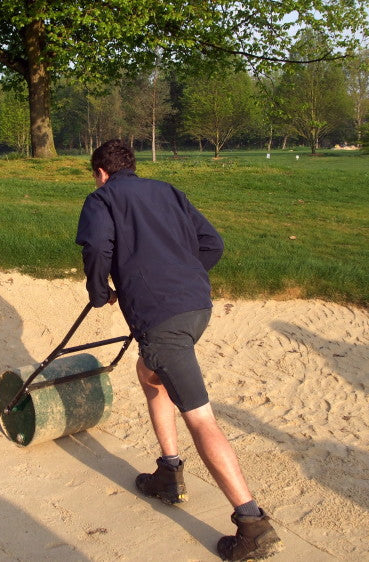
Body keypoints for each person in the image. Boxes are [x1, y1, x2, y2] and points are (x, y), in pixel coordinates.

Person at [75, 139, 282, 561]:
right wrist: (182, 275)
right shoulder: (167, 190)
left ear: (100, 173)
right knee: (149, 373)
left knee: (200, 417)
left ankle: (251, 523)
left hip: (163, 321)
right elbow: (214, 244)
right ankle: (168, 473)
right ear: (132, 166)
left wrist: (99, 291)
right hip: (196, 308)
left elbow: (97, 248)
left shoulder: (101, 199)